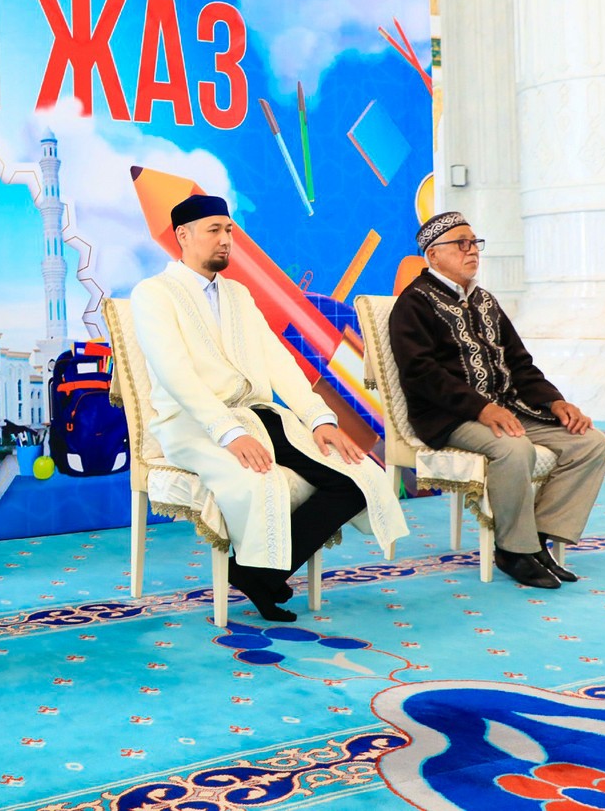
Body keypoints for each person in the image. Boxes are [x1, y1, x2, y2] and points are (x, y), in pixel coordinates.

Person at [129, 194, 408, 621]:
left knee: (356, 476)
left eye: (229, 230)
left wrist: (320, 419)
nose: (226, 239)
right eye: (214, 230)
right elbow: (175, 374)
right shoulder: (153, 294)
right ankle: (261, 575)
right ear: (182, 236)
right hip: (193, 425)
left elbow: (278, 360)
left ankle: (253, 574)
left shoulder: (238, 293)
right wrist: (228, 432)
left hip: (258, 417)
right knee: (262, 483)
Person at [388, 212, 605, 590]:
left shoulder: (485, 300)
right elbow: (421, 375)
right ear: (433, 255)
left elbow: (520, 365)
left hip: (507, 409)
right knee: (512, 448)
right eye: (461, 243)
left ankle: (537, 541)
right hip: (450, 417)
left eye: (474, 242)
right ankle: (512, 551)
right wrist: (481, 408)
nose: (472, 250)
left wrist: (555, 402)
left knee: (590, 443)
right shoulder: (414, 304)